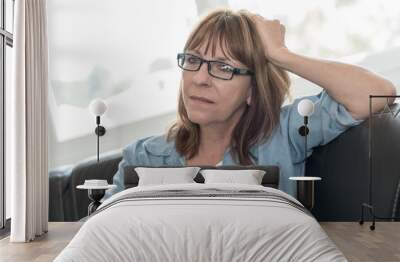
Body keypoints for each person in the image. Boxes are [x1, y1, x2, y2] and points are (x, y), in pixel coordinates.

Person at [105, 8, 396, 200]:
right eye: (193, 60)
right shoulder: (143, 157)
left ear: (252, 91)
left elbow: (378, 93)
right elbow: (98, 233)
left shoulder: (285, 133)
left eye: (223, 67)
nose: (200, 79)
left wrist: (281, 54)